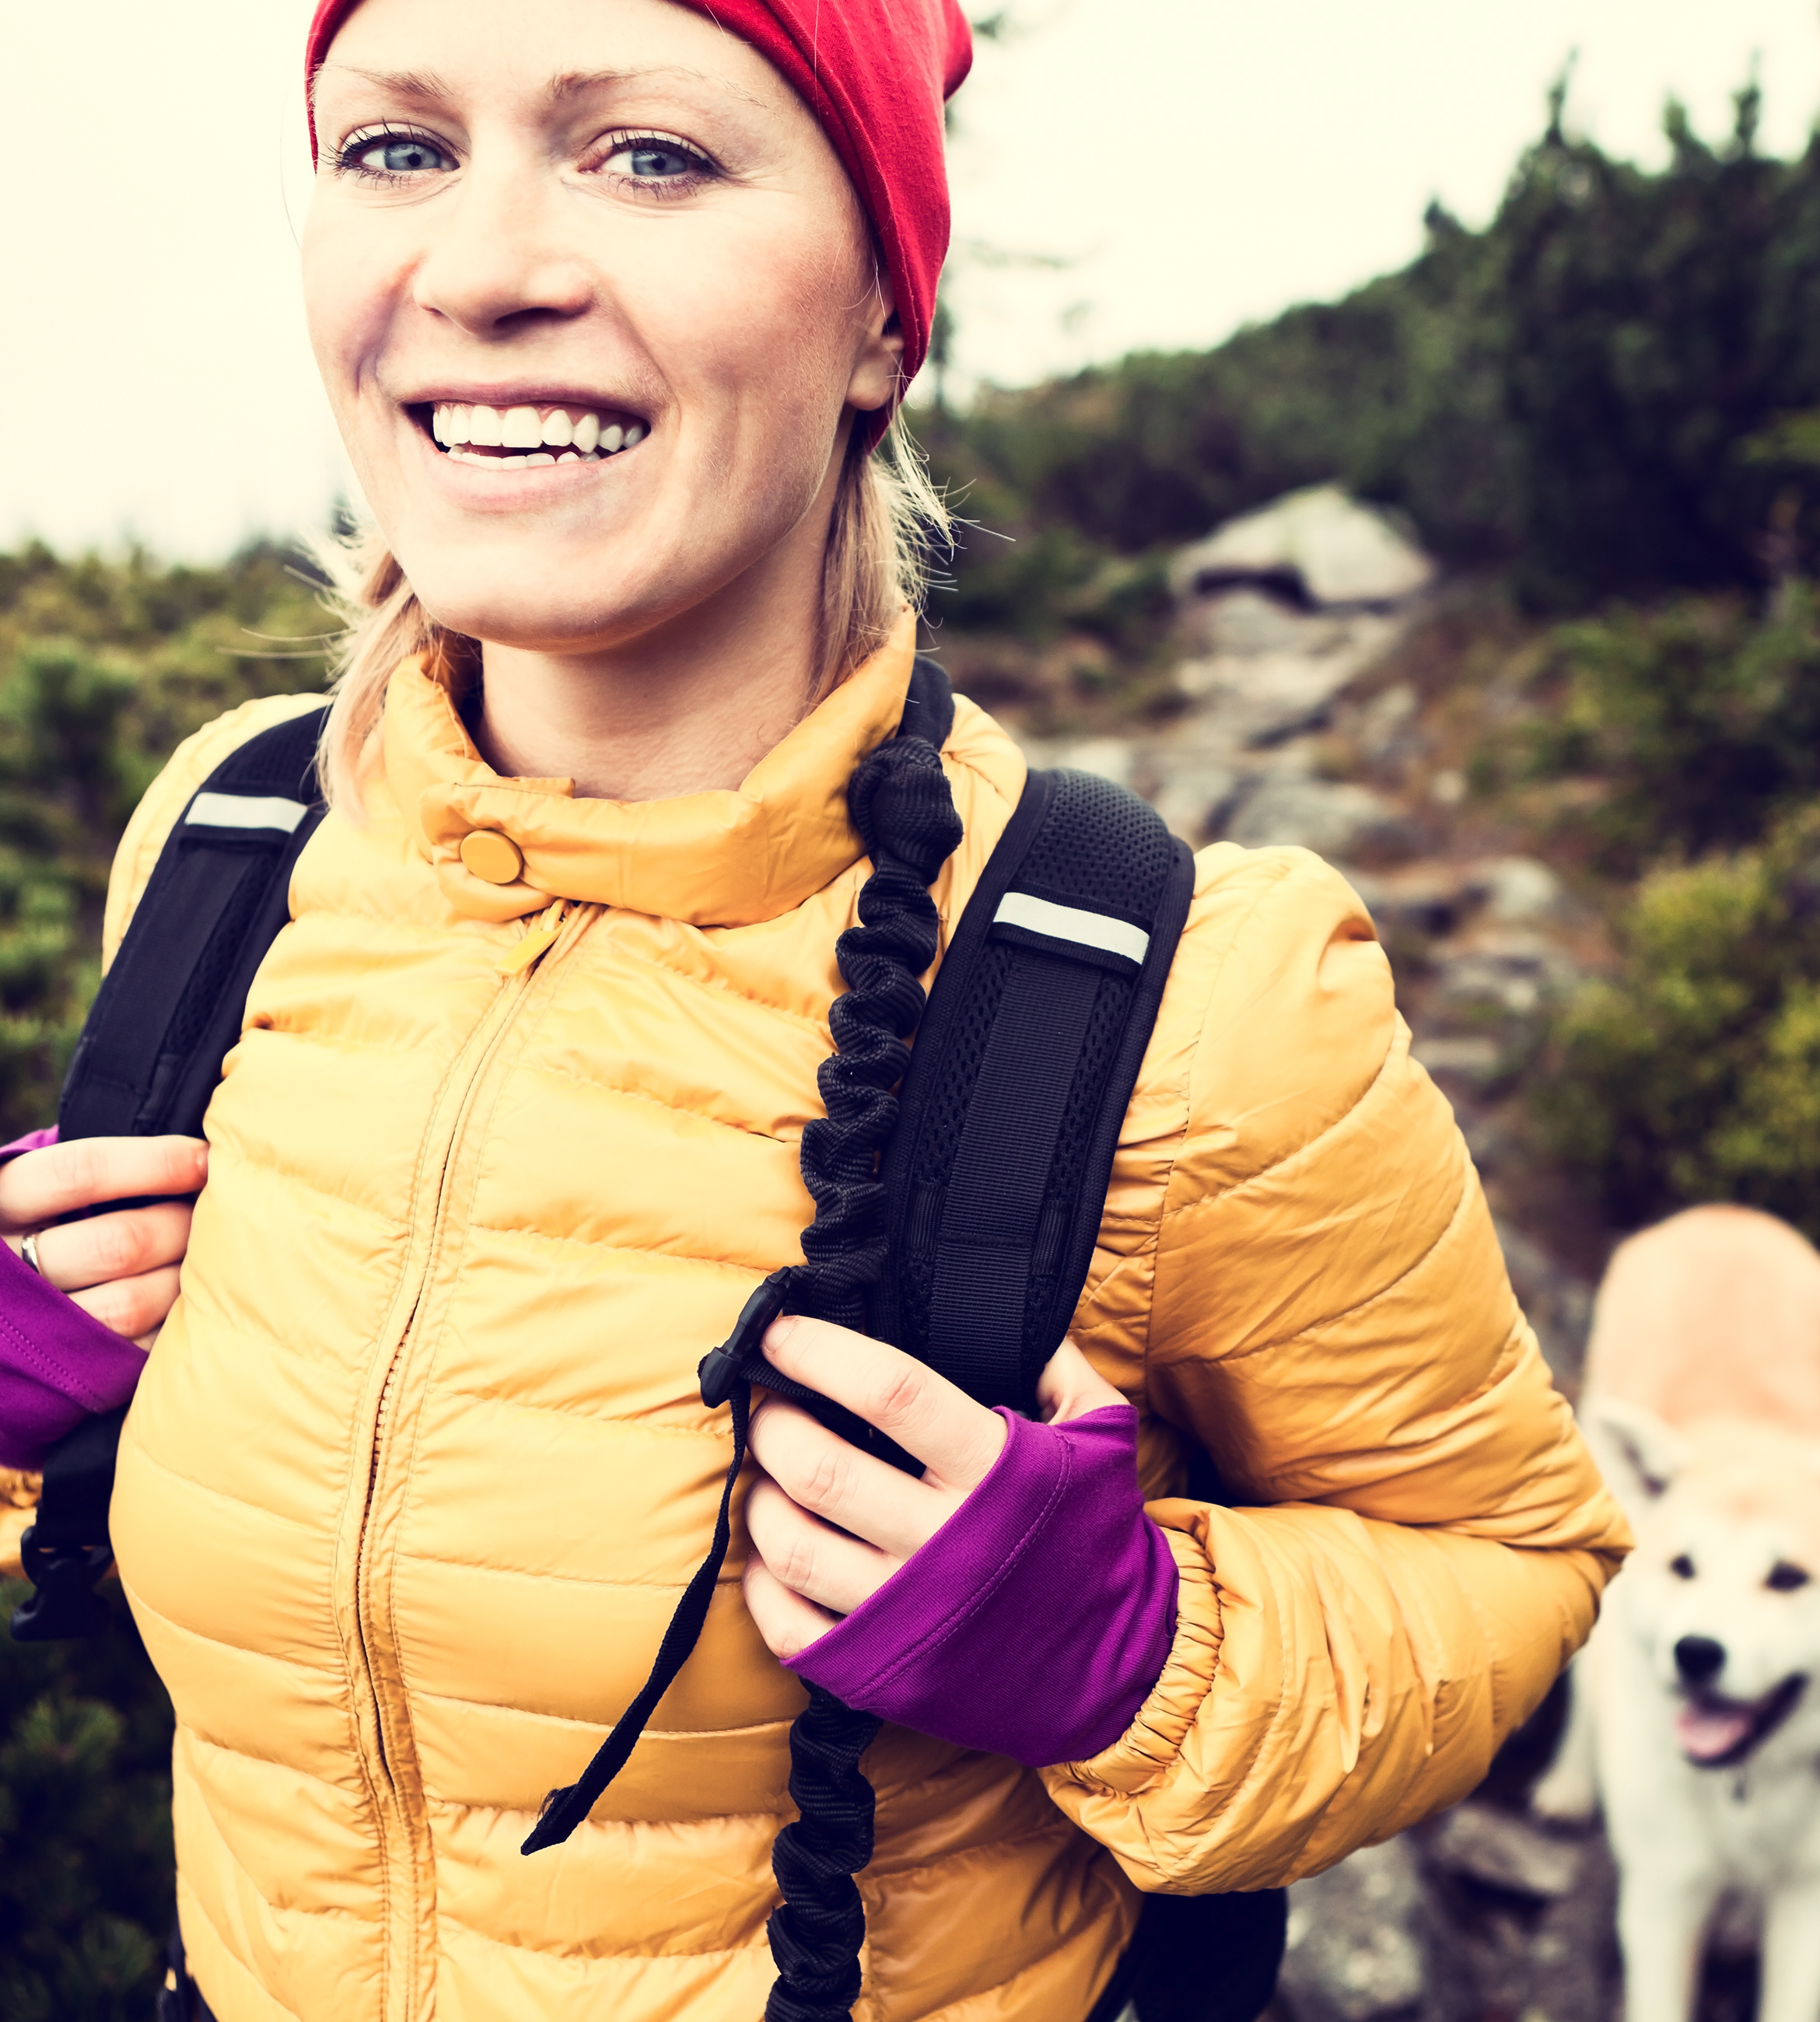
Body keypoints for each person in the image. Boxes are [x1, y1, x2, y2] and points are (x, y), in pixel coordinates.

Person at [0, 0, 1631, 2017]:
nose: (484, 267)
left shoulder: (1182, 999)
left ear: (882, 312)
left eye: (649, 155)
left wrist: (1132, 1652)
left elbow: (1512, 1578)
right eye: (397, 149)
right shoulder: (235, 841)